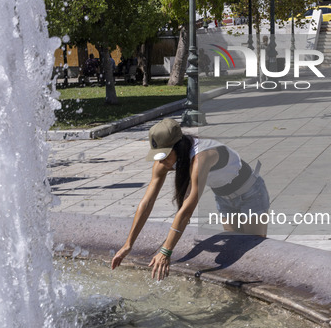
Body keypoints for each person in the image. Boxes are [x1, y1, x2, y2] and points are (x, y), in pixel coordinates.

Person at [111, 118, 270, 280]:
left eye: (164, 155)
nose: (160, 161)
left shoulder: (201, 157)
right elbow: (146, 203)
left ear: (178, 148)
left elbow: (188, 208)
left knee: (252, 246)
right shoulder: (163, 162)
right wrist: (128, 245)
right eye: (157, 155)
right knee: (233, 249)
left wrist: (165, 251)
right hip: (224, 197)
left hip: (251, 192)